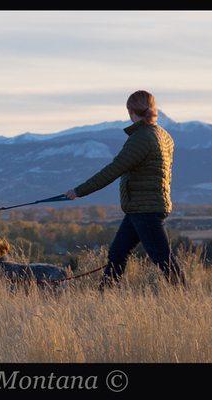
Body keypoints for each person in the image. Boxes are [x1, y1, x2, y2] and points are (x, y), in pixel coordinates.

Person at [65, 90, 186, 290]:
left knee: (162, 257)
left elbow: (113, 170)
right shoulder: (164, 136)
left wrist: (78, 191)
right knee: (117, 254)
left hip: (144, 209)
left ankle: (184, 296)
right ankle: (104, 295)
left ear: (131, 111)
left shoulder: (141, 138)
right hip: (144, 206)